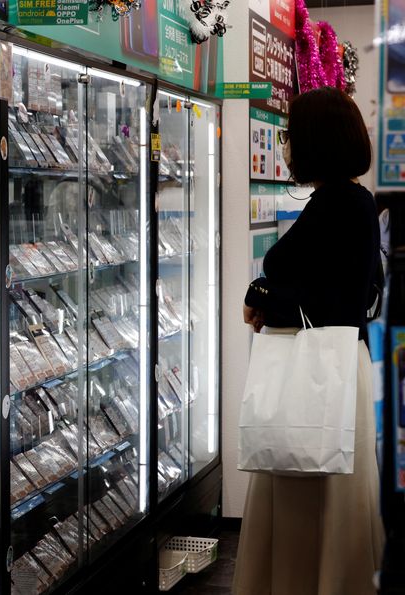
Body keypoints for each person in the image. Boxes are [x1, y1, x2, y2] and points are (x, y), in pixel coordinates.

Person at [234, 87, 384, 595]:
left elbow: (323, 300)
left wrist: (262, 294)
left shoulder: (337, 204)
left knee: (305, 497)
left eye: (291, 135)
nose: (286, 146)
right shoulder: (351, 200)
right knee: (326, 500)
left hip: (317, 371)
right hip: (335, 367)